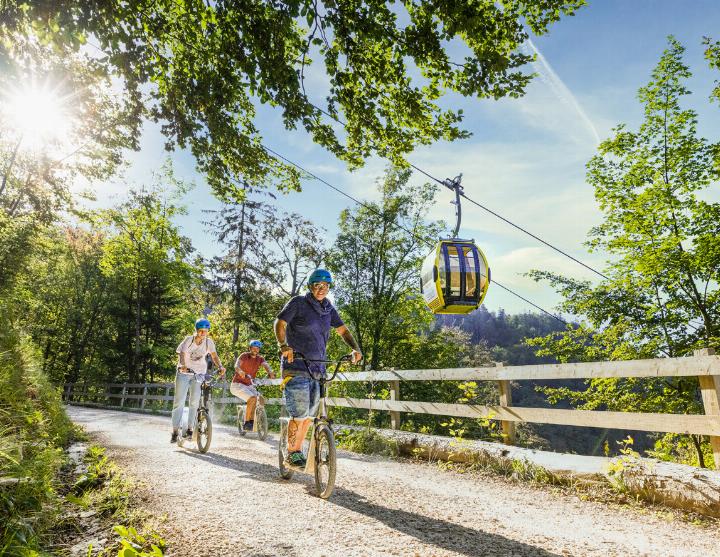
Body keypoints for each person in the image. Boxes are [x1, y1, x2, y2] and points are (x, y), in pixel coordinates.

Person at [274, 268, 362, 467]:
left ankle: (296, 449)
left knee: (309, 417)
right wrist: (283, 346)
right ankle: (292, 452)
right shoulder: (298, 303)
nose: (321, 289)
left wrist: (355, 349)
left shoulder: (328, 309)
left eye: (325, 285)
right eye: (317, 285)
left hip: (318, 371)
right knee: (299, 413)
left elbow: (343, 330)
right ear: (311, 286)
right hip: (296, 366)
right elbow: (280, 323)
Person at [172, 318, 226, 443]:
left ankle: (190, 429)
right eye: (201, 331)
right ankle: (175, 431)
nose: (203, 333)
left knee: (194, 402)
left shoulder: (208, 342)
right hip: (184, 373)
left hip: (199, 374)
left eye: (205, 331)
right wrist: (183, 365)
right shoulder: (188, 340)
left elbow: (214, 356)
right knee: (179, 402)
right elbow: (181, 353)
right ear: (196, 330)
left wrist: (221, 366)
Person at [230, 339, 275, 431]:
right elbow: (236, 365)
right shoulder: (244, 356)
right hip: (237, 384)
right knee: (252, 398)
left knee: (261, 399)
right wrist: (240, 371)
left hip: (249, 385)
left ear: (259, 350)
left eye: (257, 348)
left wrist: (270, 372)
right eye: (253, 348)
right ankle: (247, 423)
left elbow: (266, 365)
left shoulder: (260, 359)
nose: (255, 350)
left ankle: (258, 418)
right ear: (250, 348)